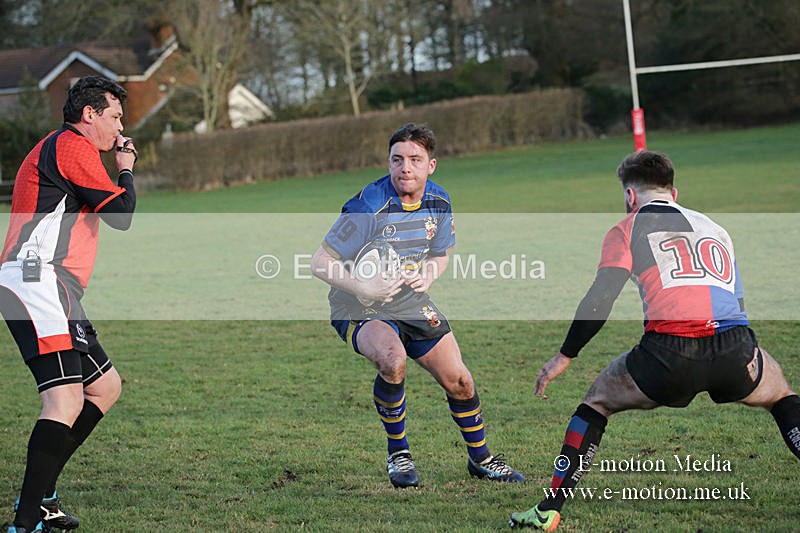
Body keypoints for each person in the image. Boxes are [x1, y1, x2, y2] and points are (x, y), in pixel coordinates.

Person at [509, 150, 800, 530]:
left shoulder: (626, 228)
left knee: (596, 402)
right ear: (673, 193)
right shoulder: (715, 228)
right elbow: (737, 301)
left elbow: (601, 298)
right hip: (735, 348)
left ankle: (549, 509)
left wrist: (565, 355)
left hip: (670, 356)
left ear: (630, 195)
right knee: (781, 395)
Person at [311, 123, 524, 488]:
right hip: (358, 304)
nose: (405, 168)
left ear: (431, 165)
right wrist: (363, 285)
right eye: (397, 159)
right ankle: (399, 454)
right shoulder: (368, 206)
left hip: (410, 299)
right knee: (393, 361)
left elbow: (441, 254)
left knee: (460, 380)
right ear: (388, 163)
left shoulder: (439, 202)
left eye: (414, 159)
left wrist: (429, 274)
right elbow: (319, 262)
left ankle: (481, 459)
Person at [0, 76, 137, 533]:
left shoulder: (71, 149)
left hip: (54, 287)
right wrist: (126, 168)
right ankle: (25, 522)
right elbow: (121, 215)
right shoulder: (72, 145)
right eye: (116, 116)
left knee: (105, 388)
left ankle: (42, 497)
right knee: (64, 399)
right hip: (35, 279)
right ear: (90, 114)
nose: (121, 127)